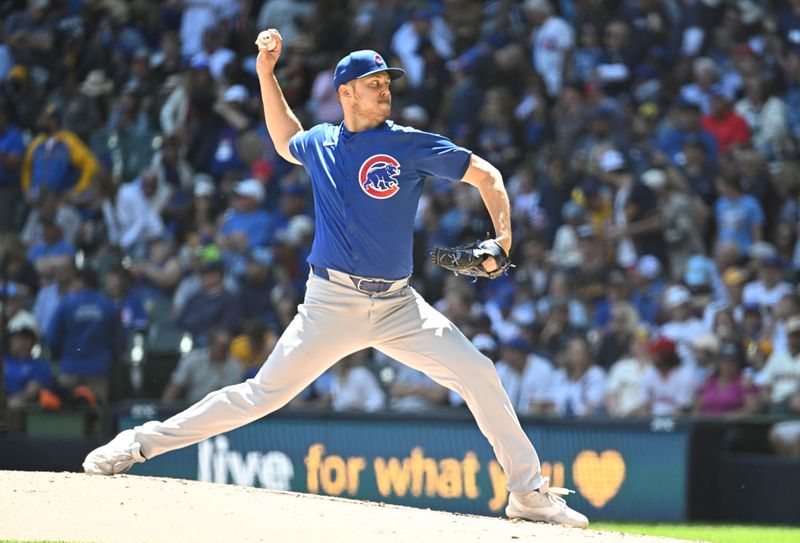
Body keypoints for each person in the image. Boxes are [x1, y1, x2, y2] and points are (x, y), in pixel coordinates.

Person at [82, 38, 588, 528]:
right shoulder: (322, 142)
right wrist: (265, 73)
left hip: (398, 305)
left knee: (478, 373)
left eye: (387, 80)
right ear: (345, 92)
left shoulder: (407, 143)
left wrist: (502, 241)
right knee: (260, 395)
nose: (385, 87)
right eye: (373, 82)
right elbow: (284, 139)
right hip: (330, 301)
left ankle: (528, 495)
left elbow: (487, 175)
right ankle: (139, 443)